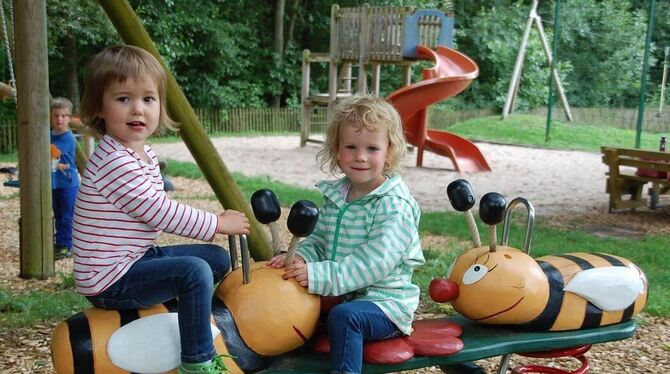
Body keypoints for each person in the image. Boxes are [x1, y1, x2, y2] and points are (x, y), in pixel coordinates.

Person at [73, 45, 250, 374]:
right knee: (194, 272)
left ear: (159, 105)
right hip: (110, 279)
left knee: (216, 259)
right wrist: (216, 223)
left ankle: (180, 319)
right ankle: (197, 360)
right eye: (123, 99)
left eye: (148, 99)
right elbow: (159, 211)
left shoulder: (141, 153)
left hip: (135, 258)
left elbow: (157, 208)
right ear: (99, 106)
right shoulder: (114, 161)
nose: (137, 109)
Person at [268, 93, 425, 373]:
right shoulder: (338, 195)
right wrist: (302, 259)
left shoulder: (394, 206)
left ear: (389, 151)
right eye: (351, 146)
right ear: (337, 150)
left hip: (385, 304)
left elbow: (373, 262)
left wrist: (319, 276)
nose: (360, 157)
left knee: (345, 318)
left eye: (372, 148)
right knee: (294, 305)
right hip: (344, 293)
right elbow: (319, 239)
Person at [50, 97, 80, 259]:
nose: (59, 119)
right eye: (56, 115)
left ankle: (66, 245)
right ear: (50, 116)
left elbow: (51, 154)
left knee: (67, 215)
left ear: (69, 118)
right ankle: (61, 241)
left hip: (69, 183)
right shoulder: (48, 136)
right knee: (59, 214)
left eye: (63, 115)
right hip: (55, 183)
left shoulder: (67, 138)